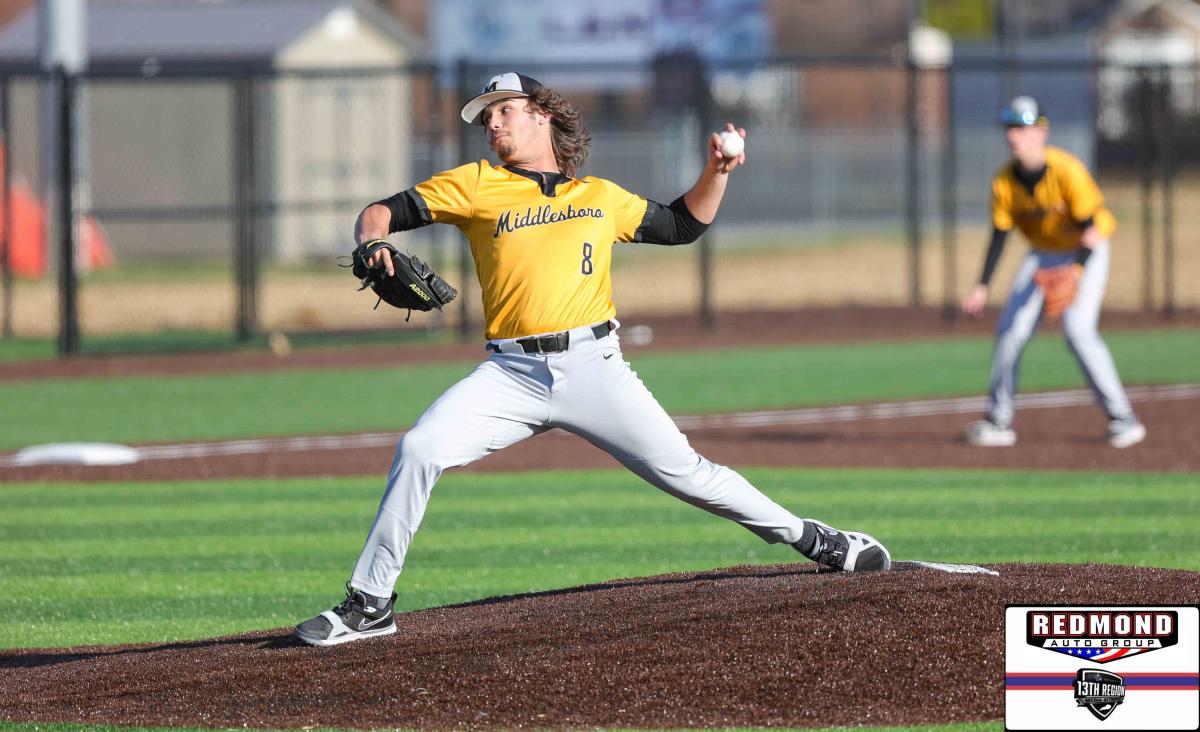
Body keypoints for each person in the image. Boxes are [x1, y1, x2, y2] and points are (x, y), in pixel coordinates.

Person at [295, 72, 891, 647]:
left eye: (505, 110)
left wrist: (717, 170)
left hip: (595, 367)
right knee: (420, 449)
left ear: (542, 115)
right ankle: (371, 602)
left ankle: (816, 540)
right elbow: (381, 211)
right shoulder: (476, 184)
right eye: (487, 117)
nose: (493, 124)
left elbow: (682, 224)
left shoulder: (600, 197)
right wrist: (372, 242)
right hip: (510, 374)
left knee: (690, 475)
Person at [961, 95, 1146, 449]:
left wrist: (1075, 271)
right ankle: (998, 421)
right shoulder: (1004, 182)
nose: (1013, 136)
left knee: (1078, 331)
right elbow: (999, 236)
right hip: (1043, 254)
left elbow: (1091, 231)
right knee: (1010, 331)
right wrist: (982, 286)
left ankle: (1124, 419)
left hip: (1085, 250)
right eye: (1010, 128)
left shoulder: (1067, 170)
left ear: (1041, 132)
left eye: (1021, 128)